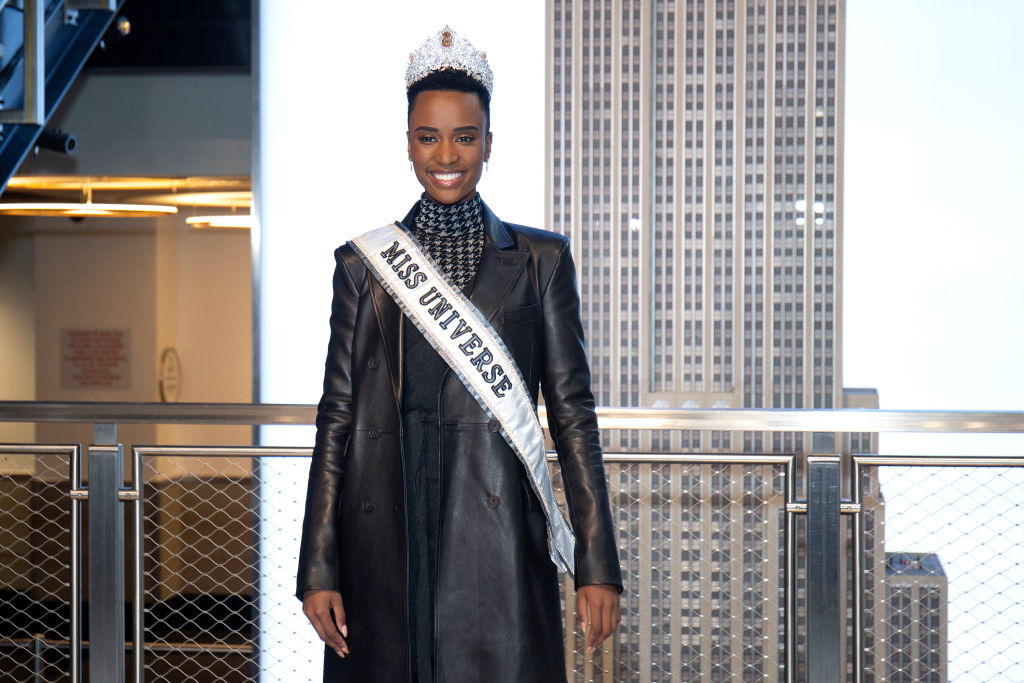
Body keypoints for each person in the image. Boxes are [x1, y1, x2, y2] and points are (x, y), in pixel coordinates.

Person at [296, 27, 622, 682]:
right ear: (408, 142)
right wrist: (319, 566)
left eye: (464, 136)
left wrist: (596, 562)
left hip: (491, 533)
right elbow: (337, 419)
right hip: (387, 530)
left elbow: (572, 417)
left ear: (488, 144)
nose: (446, 154)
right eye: (428, 136)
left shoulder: (539, 262)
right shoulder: (362, 268)